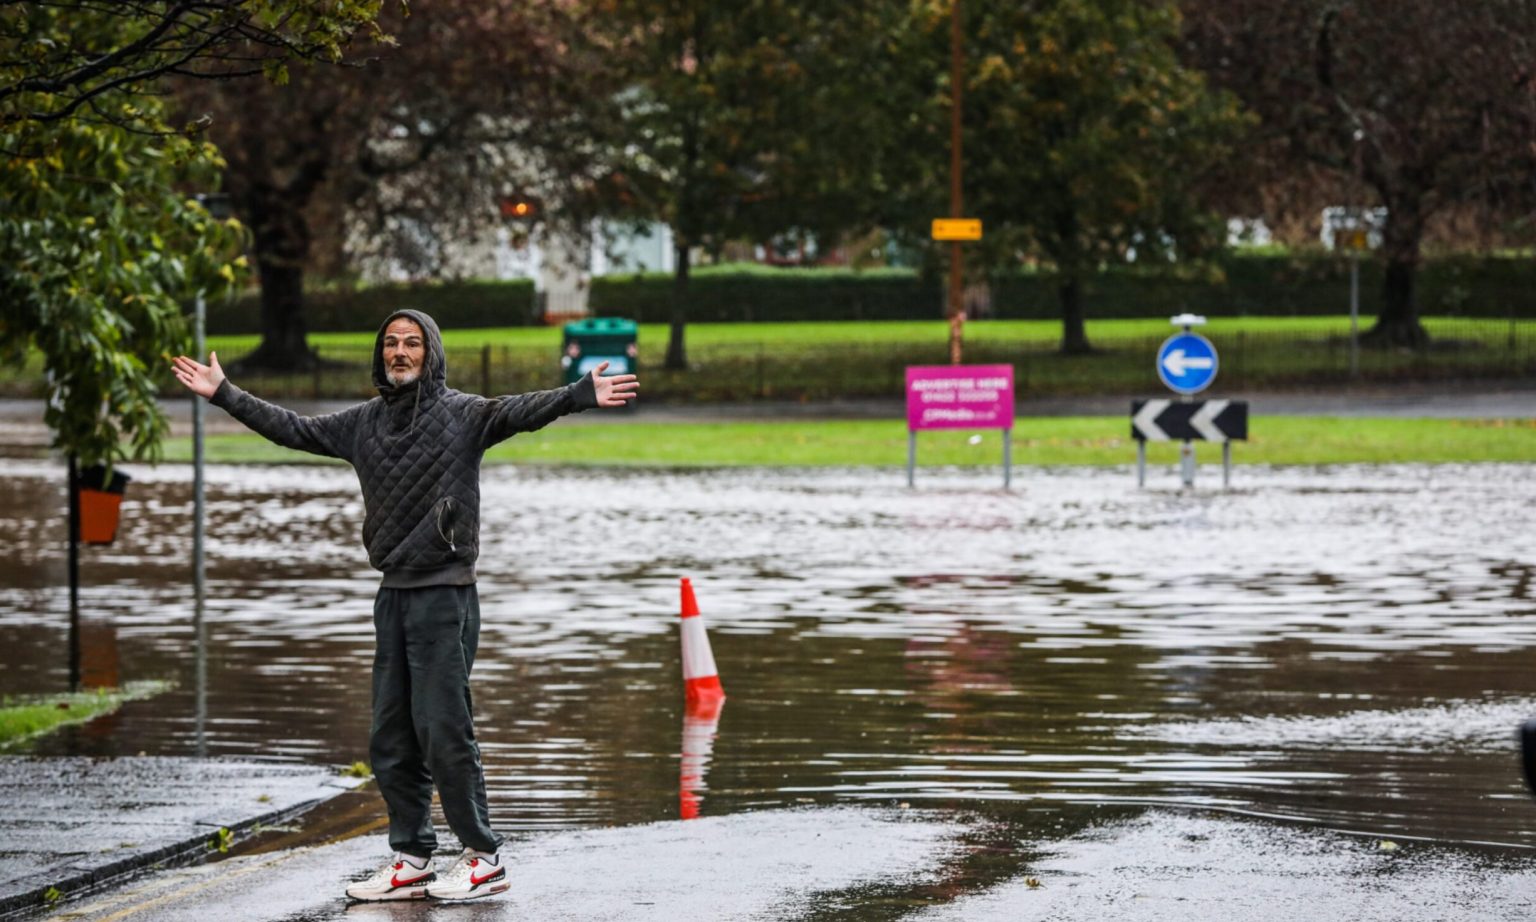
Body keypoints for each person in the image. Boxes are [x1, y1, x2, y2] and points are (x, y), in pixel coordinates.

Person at [172, 310, 637, 901]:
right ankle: (412, 858)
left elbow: (522, 410)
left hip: (446, 594)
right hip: (392, 592)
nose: (399, 352)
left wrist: (579, 394)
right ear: (380, 355)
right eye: (390, 343)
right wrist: (226, 395)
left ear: (431, 353)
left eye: (411, 343)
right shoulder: (362, 424)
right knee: (390, 735)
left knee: (444, 729)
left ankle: (483, 856)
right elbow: (294, 429)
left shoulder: (464, 415)